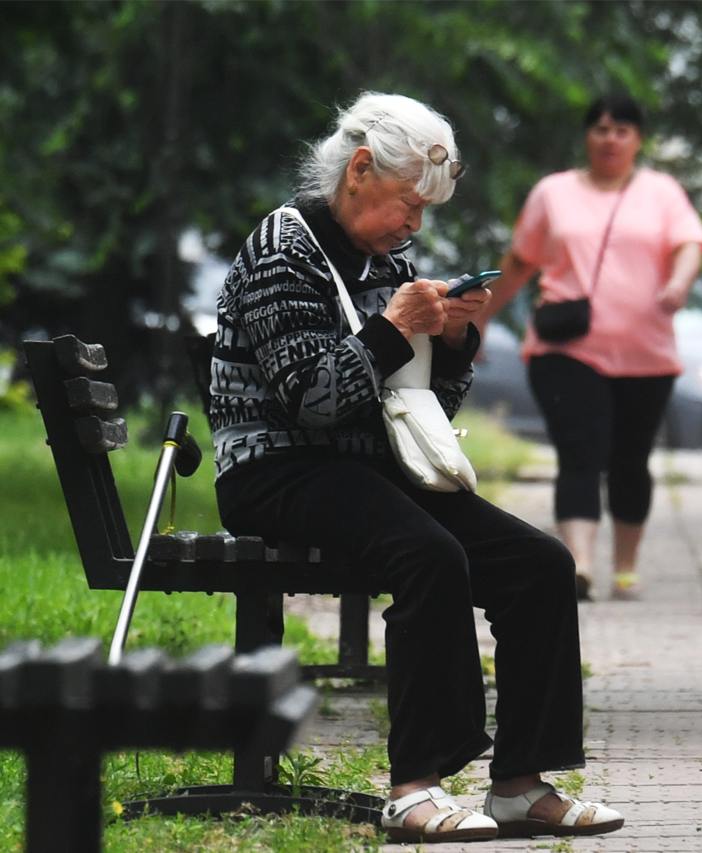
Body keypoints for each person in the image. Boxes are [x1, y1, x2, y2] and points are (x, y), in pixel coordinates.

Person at [209, 92, 623, 843]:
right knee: (428, 553)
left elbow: (420, 401)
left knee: (539, 562)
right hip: (277, 468)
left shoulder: (387, 258)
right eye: (408, 203)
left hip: (370, 468)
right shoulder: (283, 247)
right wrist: (395, 327)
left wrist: (454, 341)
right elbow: (312, 402)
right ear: (359, 170)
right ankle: (414, 788)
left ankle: (521, 785)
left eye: (425, 211)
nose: (415, 226)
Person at [482, 94, 702, 602]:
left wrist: (678, 282)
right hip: (566, 349)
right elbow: (520, 260)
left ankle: (625, 567)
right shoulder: (554, 192)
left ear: (638, 140)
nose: (611, 138)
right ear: (587, 137)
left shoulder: (661, 191)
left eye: (622, 130)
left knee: (630, 459)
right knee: (580, 452)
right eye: (601, 129)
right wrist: (478, 322)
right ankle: (580, 563)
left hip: (646, 353)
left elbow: (690, 244)